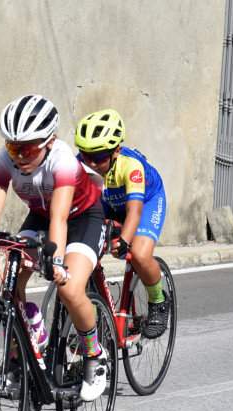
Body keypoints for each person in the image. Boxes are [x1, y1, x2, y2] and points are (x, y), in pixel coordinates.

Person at [0, 94, 107, 402]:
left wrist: (58, 262)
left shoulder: (62, 160)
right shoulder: (5, 159)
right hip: (41, 215)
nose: (19, 157)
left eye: (27, 149)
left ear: (49, 142)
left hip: (82, 218)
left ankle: (95, 356)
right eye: (13, 147)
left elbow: (61, 220)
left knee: (69, 289)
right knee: (9, 278)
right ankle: (22, 348)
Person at [74, 109, 169, 338]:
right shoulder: (79, 164)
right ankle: (93, 325)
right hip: (109, 202)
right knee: (83, 257)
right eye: (86, 157)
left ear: (116, 151)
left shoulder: (131, 166)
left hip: (146, 201)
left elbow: (133, 212)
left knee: (138, 254)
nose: (91, 164)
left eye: (98, 158)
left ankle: (158, 302)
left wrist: (125, 242)